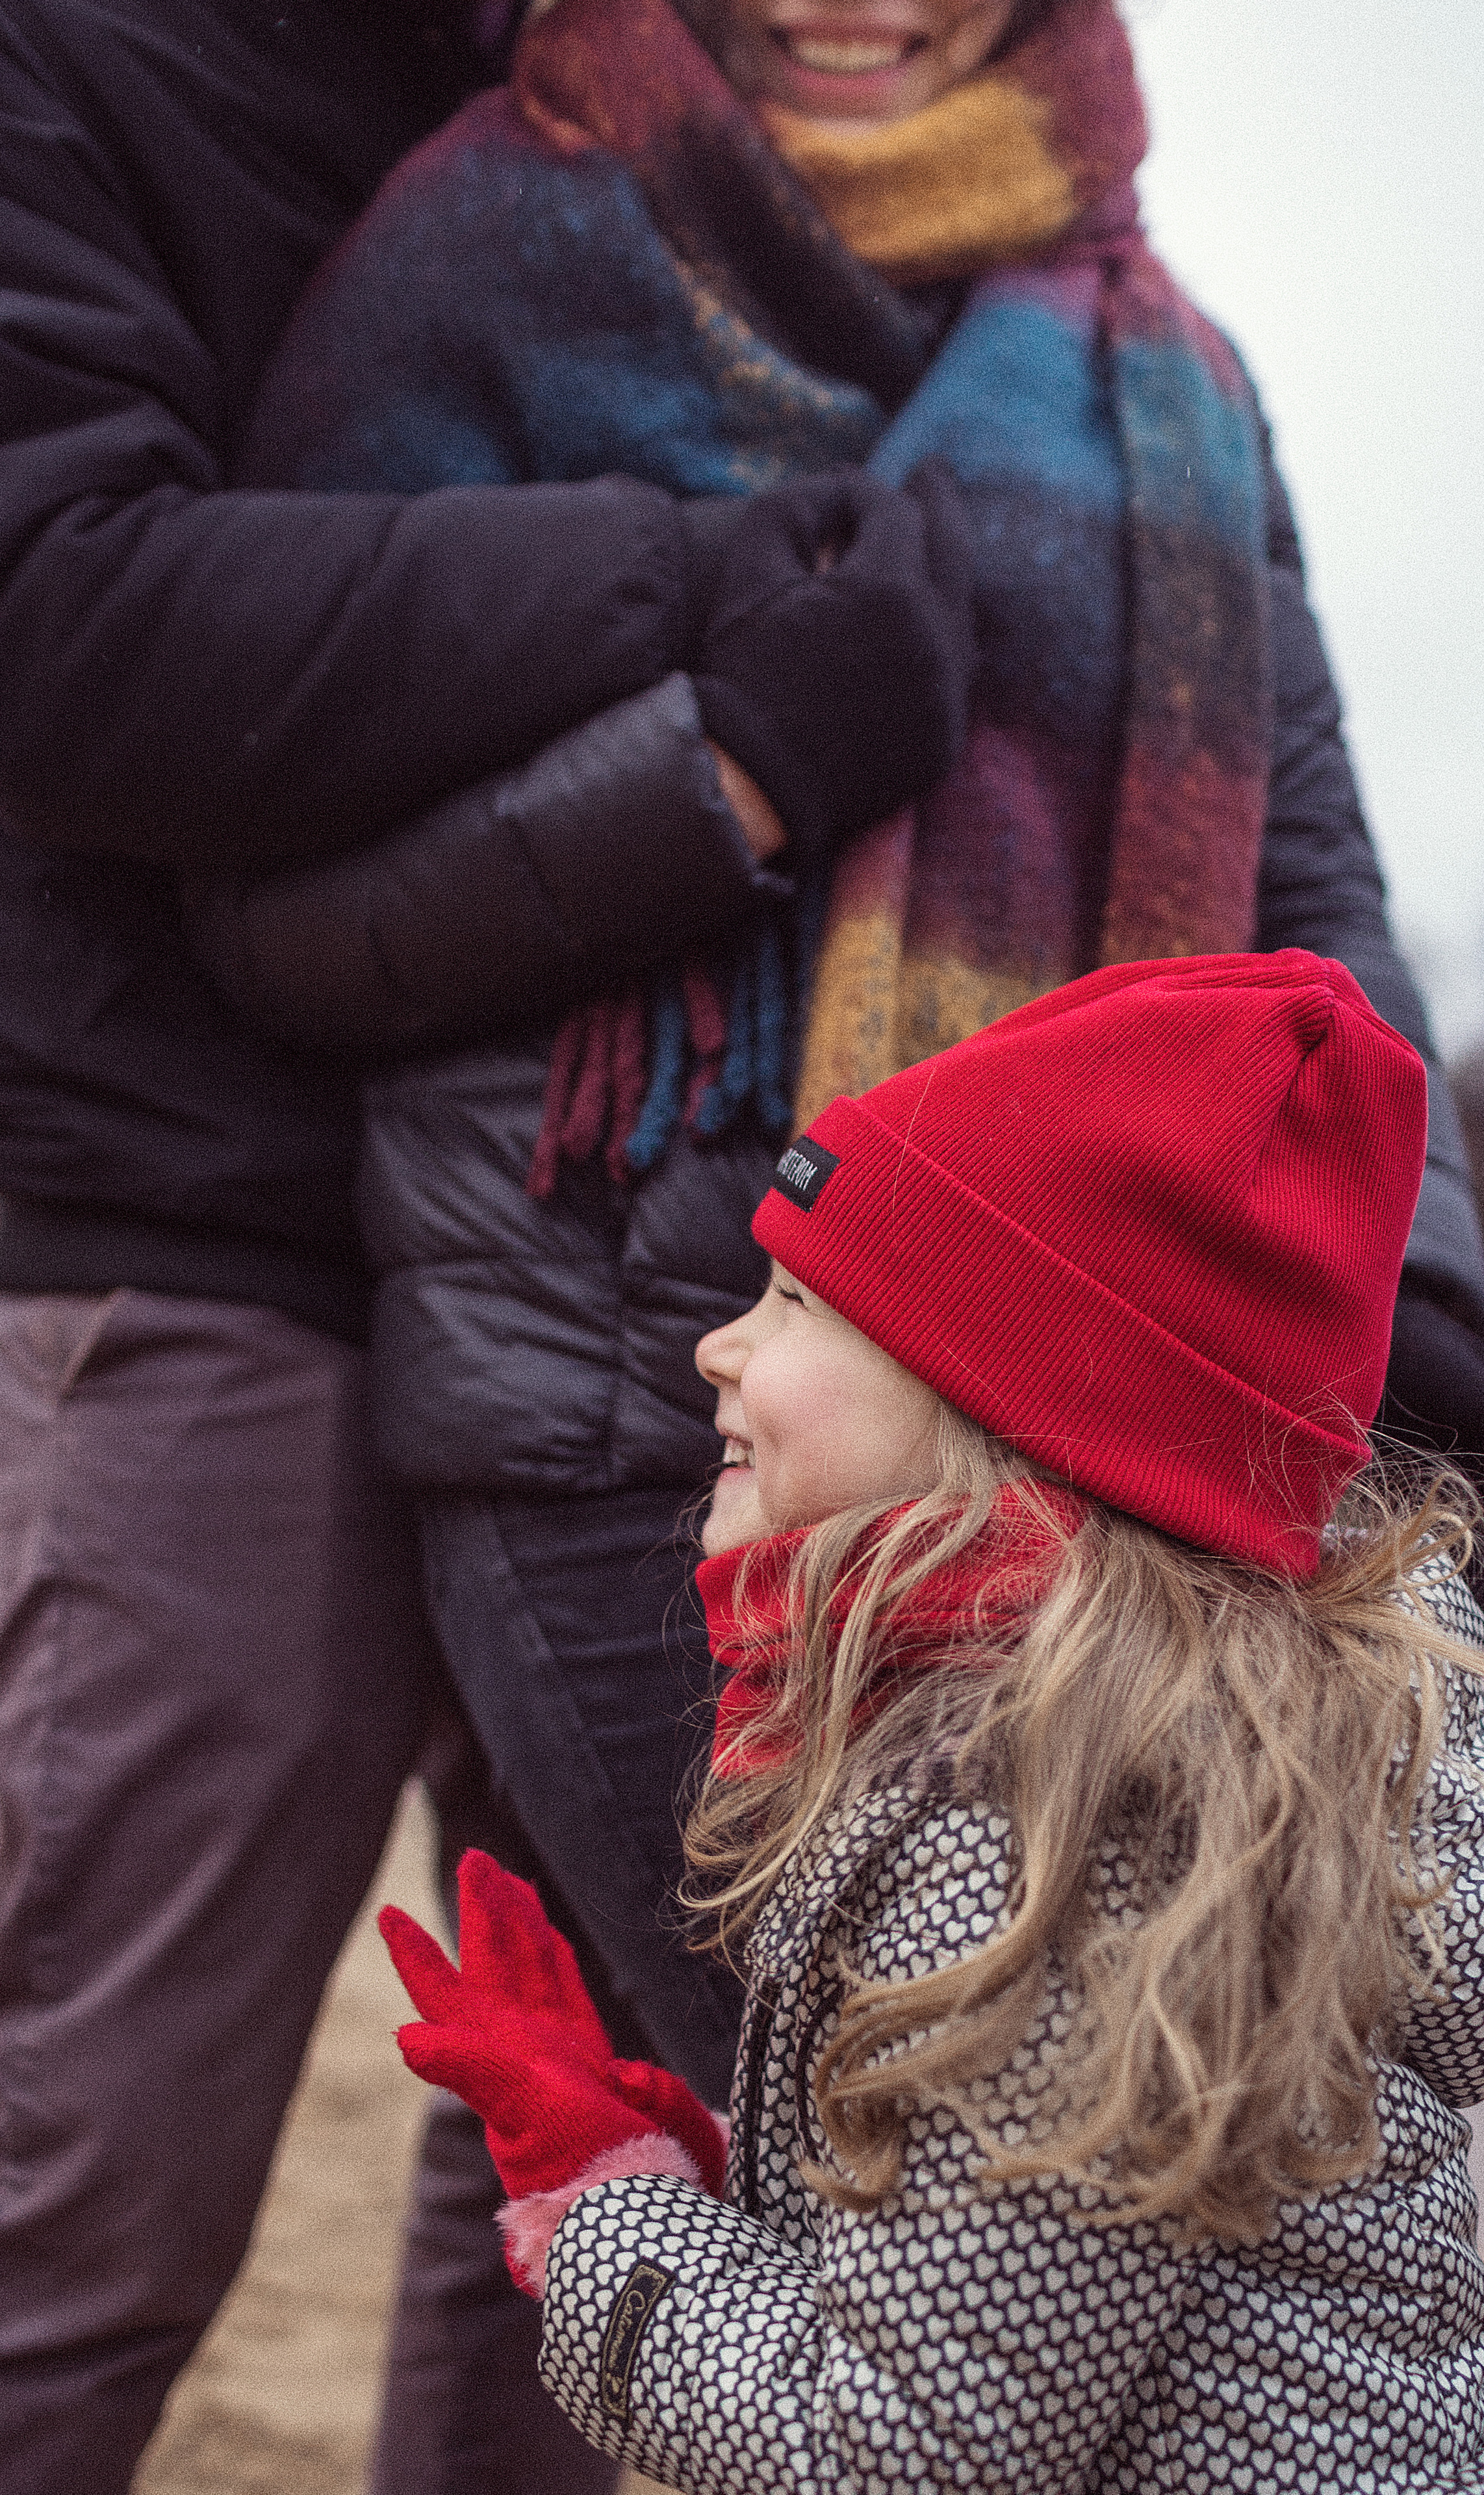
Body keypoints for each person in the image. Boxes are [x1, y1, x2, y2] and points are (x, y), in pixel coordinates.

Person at [0, 1, 973, 2487]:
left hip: (611, 1279)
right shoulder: (73, 64)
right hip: (202, 1244)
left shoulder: (646, 100)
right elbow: (61, 625)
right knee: (94, 2193)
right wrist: (698, 606)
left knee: (579, 2157)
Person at [380, 951, 1484, 2494]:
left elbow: (911, 2447)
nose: (719, 1345)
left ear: (998, 1407)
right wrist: (717, 2200)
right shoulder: (1154, 1749)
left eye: (793, 1299)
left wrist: (599, 2216)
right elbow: (1024, 2298)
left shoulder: (1055, 1821)